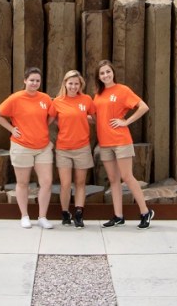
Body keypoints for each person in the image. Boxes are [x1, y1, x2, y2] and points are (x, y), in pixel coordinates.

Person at [92, 59, 154, 229]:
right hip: (105, 143)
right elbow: (98, 118)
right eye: (102, 73)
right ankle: (118, 216)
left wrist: (126, 122)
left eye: (108, 71)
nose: (105, 75)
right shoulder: (98, 94)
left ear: (113, 72)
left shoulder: (122, 90)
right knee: (113, 180)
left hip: (120, 141)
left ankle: (145, 212)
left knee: (127, 177)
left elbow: (143, 107)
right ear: (98, 77)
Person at [0, 67, 54, 229]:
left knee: (46, 182)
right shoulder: (15, 98)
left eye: (37, 81)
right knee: (23, 182)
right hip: (22, 146)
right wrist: (12, 129)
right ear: (25, 80)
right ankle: (24, 216)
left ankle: (42, 217)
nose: (34, 83)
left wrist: (43, 127)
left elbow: (52, 115)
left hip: (43, 147)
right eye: (31, 80)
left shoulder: (45, 98)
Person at [48, 69, 96, 228]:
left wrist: (83, 119)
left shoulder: (87, 100)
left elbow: (96, 118)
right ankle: (65, 213)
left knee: (80, 183)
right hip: (63, 148)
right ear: (65, 83)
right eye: (71, 83)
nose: (73, 86)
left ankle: (79, 214)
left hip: (82, 147)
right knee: (65, 184)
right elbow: (49, 120)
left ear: (80, 85)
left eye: (76, 84)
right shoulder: (57, 102)